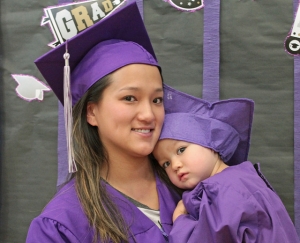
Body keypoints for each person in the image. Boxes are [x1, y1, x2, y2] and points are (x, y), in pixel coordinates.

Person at [26, 2, 181, 243]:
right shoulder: (63, 224)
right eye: (130, 98)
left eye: (157, 99)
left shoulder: (190, 182)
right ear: (92, 112)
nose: (149, 115)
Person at [152, 84, 300, 243]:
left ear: (212, 144)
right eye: (165, 164)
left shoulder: (219, 191)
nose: (175, 165)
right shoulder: (245, 179)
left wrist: (180, 219)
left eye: (181, 150)